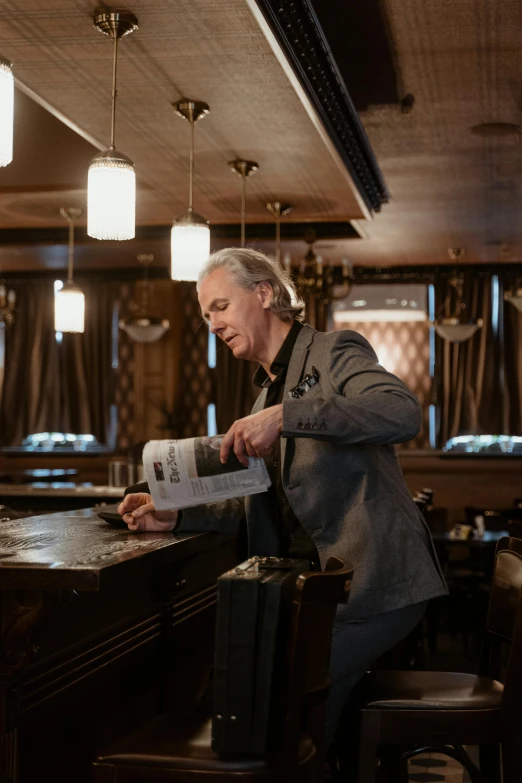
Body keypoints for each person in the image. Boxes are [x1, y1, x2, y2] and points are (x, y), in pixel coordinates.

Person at [118, 247, 447, 743]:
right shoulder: (264, 394)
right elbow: (259, 498)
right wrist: (175, 517)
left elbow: (402, 412)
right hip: (317, 590)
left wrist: (288, 417)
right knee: (256, 697)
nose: (213, 324)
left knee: (273, 700)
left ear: (264, 293)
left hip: (378, 585)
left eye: (221, 308)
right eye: (206, 315)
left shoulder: (333, 351)